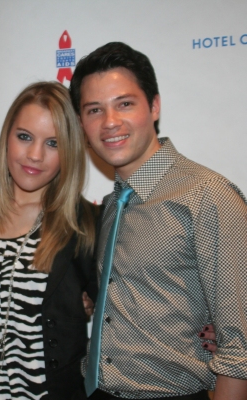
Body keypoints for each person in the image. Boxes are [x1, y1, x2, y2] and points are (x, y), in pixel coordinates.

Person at [69, 42, 247, 400]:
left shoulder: (207, 196)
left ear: (154, 106)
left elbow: (238, 351)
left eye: (125, 104)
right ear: (81, 123)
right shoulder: (111, 204)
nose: (110, 123)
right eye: (94, 110)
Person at [0, 81, 98, 399]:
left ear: (69, 150)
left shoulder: (82, 223)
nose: (34, 155)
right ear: (7, 137)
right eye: (24, 137)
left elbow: (113, 313)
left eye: (53, 143)